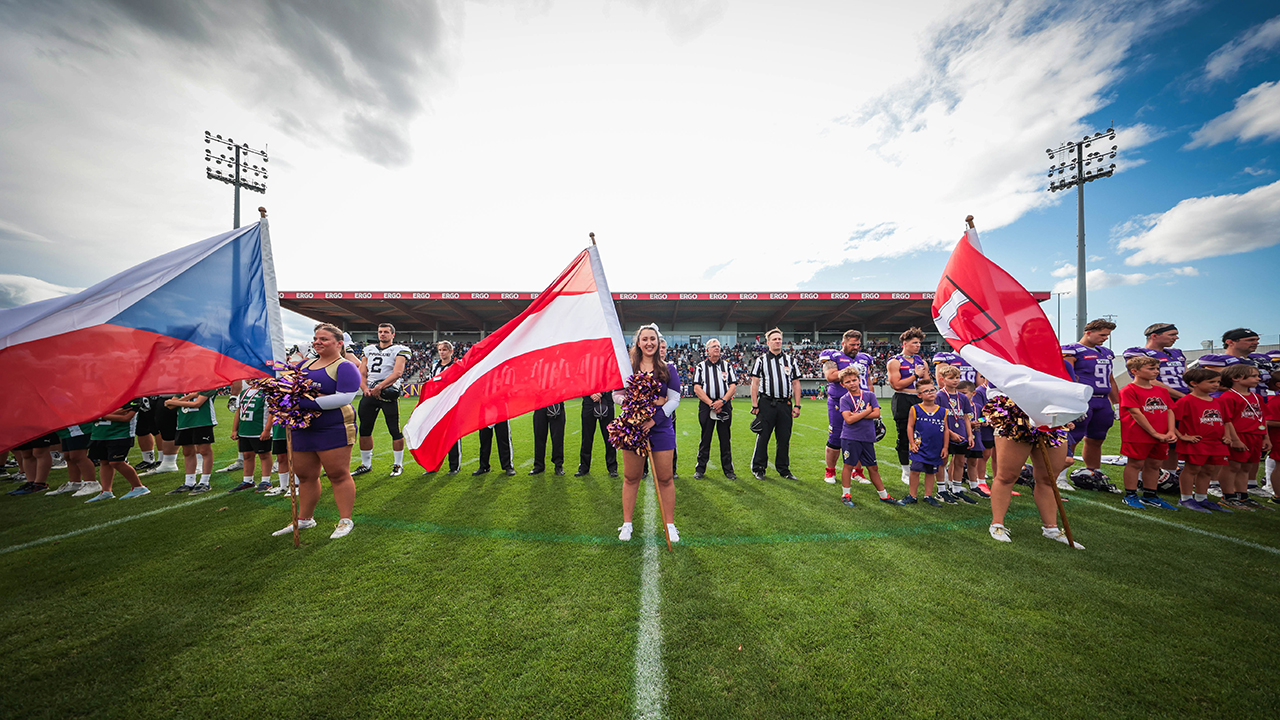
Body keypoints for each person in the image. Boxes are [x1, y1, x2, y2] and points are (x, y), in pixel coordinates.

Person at [271, 323, 361, 539]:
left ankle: (345, 520)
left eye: (324, 339)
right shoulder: (304, 364)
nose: (317, 342)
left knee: (338, 474)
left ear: (339, 343)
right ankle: (304, 519)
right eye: (316, 338)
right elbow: (289, 389)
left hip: (333, 426)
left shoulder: (345, 366)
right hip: (303, 427)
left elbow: (346, 397)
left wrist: (305, 403)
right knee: (305, 475)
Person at [984, 391, 1083, 549]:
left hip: (1052, 419)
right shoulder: (1011, 364)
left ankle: (1051, 528)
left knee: (1048, 478)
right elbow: (995, 388)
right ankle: (997, 524)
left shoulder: (1063, 365)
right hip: (1016, 416)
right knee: (1007, 476)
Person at [616, 324, 681, 542]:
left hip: (660, 428)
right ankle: (626, 524)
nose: (649, 343)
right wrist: (637, 403)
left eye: (652, 339)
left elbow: (674, 399)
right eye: (644, 339)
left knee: (665, 478)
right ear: (638, 342)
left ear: (659, 341)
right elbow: (617, 394)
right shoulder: (628, 367)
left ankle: (670, 525)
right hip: (633, 428)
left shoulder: (668, 369)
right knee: (631, 477)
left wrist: (655, 419)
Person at [1122, 323, 1189, 482]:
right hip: (1155, 399)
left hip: (1181, 399)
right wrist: (1181, 395)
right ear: (1154, 335)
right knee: (1149, 440)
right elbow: (1152, 381)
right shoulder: (1138, 353)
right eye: (1172, 334)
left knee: (1174, 441)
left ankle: (1169, 476)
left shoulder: (1177, 353)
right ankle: (1141, 479)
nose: (1176, 338)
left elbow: (1187, 376)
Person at [1117, 356, 1180, 510]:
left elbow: (1170, 411)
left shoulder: (1161, 391)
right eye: (1151, 369)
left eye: (1157, 368)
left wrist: (1171, 431)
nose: (1156, 372)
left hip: (1161, 435)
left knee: (1155, 464)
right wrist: (1154, 433)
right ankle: (1130, 495)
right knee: (1136, 464)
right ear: (1135, 371)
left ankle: (1150, 495)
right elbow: (1136, 413)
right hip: (1138, 435)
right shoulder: (1128, 390)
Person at [836, 367, 902, 506]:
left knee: (873, 467)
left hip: (867, 437)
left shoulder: (869, 395)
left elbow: (876, 414)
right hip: (850, 437)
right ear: (843, 384)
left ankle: (884, 495)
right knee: (848, 465)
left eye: (854, 380)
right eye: (848, 382)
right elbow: (848, 420)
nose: (852, 383)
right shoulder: (844, 399)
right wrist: (866, 411)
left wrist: (857, 415)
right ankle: (846, 494)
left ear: (859, 380)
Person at [1062, 319, 1119, 477]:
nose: (1105, 338)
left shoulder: (1106, 352)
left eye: (1107, 335)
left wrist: (1117, 404)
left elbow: (1111, 380)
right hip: (1083, 398)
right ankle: (1060, 475)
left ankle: (1093, 473)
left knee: (1097, 437)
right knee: (1073, 437)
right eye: (1102, 334)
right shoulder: (1072, 350)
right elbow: (1067, 377)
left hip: (1103, 400)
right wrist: (1072, 402)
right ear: (1088, 332)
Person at [354, 322, 410, 478]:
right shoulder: (368, 350)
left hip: (388, 392)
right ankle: (366, 464)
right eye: (380, 331)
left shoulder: (399, 349)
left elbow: (398, 372)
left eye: (386, 332)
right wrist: (365, 388)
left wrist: (380, 387)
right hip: (370, 393)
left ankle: (398, 464)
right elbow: (362, 372)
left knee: (394, 430)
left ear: (393, 335)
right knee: (365, 429)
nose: (382, 334)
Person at [1173, 367, 1231, 512]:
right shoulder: (1186, 401)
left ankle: (1201, 498)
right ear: (1194, 383)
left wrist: (1227, 435)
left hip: (1216, 443)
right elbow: (1171, 420)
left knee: (1209, 470)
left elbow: (1225, 421)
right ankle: (1185, 499)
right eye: (1211, 382)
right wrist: (1182, 436)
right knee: (1192, 469)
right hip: (1196, 443)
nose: (1216, 385)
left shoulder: (1219, 401)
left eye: (1217, 382)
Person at [819, 330, 874, 483]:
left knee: (859, 439)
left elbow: (868, 382)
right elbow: (830, 376)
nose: (855, 347)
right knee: (836, 437)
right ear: (843, 343)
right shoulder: (833, 356)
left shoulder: (865, 358)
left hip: (861, 403)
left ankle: (857, 472)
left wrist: (872, 401)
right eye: (852, 344)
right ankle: (830, 472)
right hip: (839, 402)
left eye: (857, 344)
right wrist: (851, 371)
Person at [749, 328, 802, 480]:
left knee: (784, 438)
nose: (778, 341)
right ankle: (759, 468)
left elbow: (796, 383)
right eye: (774, 339)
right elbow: (755, 383)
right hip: (766, 403)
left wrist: (797, 405)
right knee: (763, 436)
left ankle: (784, 469)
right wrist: (755, 404)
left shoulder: (791, 360)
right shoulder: (761, 360)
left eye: (779, 339)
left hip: (785, 404)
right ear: (768, 342)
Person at [1217, 364, 1270, 510]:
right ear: (1236, 378)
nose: (1258, 378)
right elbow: (1227, 421)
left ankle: (1242, 495)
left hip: (1256, 435)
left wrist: (1266, 437)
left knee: (1247, 467)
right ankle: (1228, 496)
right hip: (1239, 435)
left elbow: (1262, 418)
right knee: (1233, 466)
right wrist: (1235, 439)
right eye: (1253, 376)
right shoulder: (1227, 397)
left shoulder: (1257, 397)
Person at [887, 327, 931, 484]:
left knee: (925, 434)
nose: (918, 345)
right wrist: (915, 376)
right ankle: (905, 471)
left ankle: (922, 466)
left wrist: (922, 381)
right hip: (903, 400)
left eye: (919, 342)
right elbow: (897, 385)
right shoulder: (895, 361)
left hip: (920, 399)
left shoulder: (922, 361)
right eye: (915, 342)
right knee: (905, 436)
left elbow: (927, 383)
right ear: (905, 343)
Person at [84, 401, 150, 502]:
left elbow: (126, 417)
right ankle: (106, 491)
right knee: (104, 462)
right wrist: (111, 414)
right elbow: (88, 416)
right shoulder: (101, 396)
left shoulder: (133, 397)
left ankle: (138, 487)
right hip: (99, 433)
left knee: (116, 462)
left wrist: (101, 416)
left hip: (120, 434)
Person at [692, 338, 738, 480]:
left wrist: (722, 401)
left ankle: (728, 470)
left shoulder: (727, 366)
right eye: (713, 346)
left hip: (724, 405)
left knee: (725, 438)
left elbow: (733, 386)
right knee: (705, 438)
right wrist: (711, 403)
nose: (717, 348)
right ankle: (700, 468)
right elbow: (697, 387)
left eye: (718, 346)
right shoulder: (700, 366)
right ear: (707, 350)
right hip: (707, 406)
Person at [935, 367, 978, 504]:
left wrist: (970, 435)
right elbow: (939, 418)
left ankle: (956, 489)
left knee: (960, 461)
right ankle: (941, 490)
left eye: (957, 378)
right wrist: (950, 433)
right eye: (951, 378)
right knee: (943, 461)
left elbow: (966, 417)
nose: (955, 381)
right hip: (946, 433)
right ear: (942, 379)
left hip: (962, 434)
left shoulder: (963, 397)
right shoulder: (939, 396)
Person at [164, 389, 219, 495]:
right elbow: (170, 406)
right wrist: (188, 397)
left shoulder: (207, 385)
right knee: (187, 451)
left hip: (202, 421)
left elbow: (197, 404)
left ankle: (204, 481)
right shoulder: (183, 386)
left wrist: (174, 401)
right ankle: (189, 482)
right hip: (184, 422)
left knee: (204, 450)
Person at [904, 378, 947, 507]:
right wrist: (912, 443)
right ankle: (912, 495)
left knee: (931, 472)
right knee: (915, 471)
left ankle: (928, 495)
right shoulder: (915, 409)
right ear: (919, 395)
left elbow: (946, 430)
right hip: (920, 447)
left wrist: (945, 447)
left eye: (932, 390)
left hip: (935, 448)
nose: (930, 392)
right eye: (926, 391)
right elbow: (910, 426)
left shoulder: (942, 411)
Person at [228, 383, 274, 493]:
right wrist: (235, 430)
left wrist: (267, 430)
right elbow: (238, 412)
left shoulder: (267, 392)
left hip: (260, 430)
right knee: (247, 455)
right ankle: (248, 481)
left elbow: (272, 411)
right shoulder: (243, 393)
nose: (252, 379)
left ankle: (266, 481)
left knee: (264, 455)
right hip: (245, 430)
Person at [426, 341, 462, 475]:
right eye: (440, 349)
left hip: (451, 405)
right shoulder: (435, 366)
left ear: (451, 352)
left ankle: (454, 466)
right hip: (436, 405)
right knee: (435, 436)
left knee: (452, 436)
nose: (442, 352)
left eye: (445, 350)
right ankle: (433, 465)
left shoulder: (456, 366)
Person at [957, 380, 991, 498]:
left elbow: (984, 418)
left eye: (964, 393)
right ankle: (952, 485)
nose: (961, 396)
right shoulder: (957, 406)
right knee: (958, 461)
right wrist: (968, 424)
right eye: (959, 393)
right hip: (962, 437)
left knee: (973, 461)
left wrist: (980, 422)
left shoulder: (978, 406)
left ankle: (974, 486)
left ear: (973, 393)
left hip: (976, 437)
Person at [46, 423, 97, 496]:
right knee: (68, 456)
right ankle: (75, 483)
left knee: (78, 456)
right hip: (65, 429)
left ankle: (92, 483)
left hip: (76, 427)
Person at [577, 391, 618, 477]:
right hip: (589, 400)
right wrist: (590, 394)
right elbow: (582, 381)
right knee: (587, 436)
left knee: (609, 436)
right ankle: (584, 467)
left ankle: (612, 467)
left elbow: (610, 380)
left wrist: (601, 393)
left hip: (606, 399)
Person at [530, 402, 566, 475]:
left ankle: (558, 465)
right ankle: (539, 465)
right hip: (540, 404)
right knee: (539, 437)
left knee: (558, 438)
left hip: (556, 403)